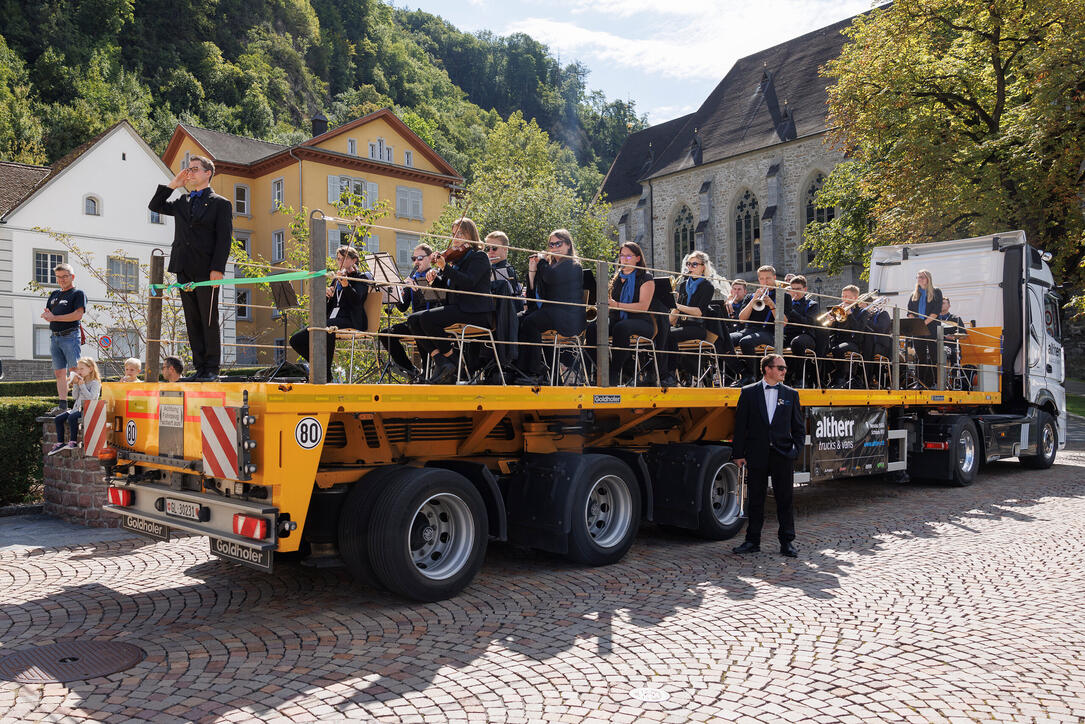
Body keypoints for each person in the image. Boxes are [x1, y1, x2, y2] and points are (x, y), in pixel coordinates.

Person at [149, 155, 233, 381]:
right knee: (192, 320)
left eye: (195, 169)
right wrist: (173, 185)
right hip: (184, 267)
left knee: (208, 319)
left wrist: (218, 268)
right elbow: (155, 205)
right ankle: (199, 367)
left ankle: (212, 368)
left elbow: (224, 239)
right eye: (189, 169)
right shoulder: (182, 201)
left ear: (208, 173)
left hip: (207, 270)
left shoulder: (220, 203)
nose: (190, 173)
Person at [731, 353, 803, 558]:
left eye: (785, 368)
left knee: (785, 499)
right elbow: (740, 426)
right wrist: (738, 453)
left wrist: (795, 451)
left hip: (782, 454)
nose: (784, 372)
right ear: (767, 369)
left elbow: (798, 427)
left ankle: (787, 542)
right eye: (780, 368)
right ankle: (752, 541)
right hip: (757, 453)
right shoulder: (748, 392)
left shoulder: (791, 394)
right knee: (755, 499)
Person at [407, 218, 494, 384]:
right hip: (459, 308)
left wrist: (445, 268)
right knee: (413, 320)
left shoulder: (479, 257)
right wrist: (435, 280)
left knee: (426, 319)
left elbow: (468, 282)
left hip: (475, 311)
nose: (456, 238)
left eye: (460, 233)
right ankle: (443, 362)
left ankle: (452, 362)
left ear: (471, 234)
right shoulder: (455, 260)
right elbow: (448, 292)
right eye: (454, 234)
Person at [290, 246, 369, 381]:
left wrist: (346, 285)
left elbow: (357, 301)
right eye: (338, 259)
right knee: (296, 340)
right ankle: (324, 369)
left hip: (351, 319)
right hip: (332, 319)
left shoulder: (362, 277)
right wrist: (326, 296)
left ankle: (324, 374)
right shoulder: (336, 279)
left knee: (328, 327)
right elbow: (329, 307)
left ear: (354, 260)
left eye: (344, 259)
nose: (340, 263)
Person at [517, 229, 585, 383]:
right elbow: (535, 293)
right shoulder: (550, 266)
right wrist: (532, 271)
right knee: (519, 319)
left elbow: (551, 279)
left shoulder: (572, 265)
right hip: (552, 312)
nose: (554, 247)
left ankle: (534, 371)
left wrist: (541, 262)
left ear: (568, 245)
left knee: (532, 322)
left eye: (558, 243)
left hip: (568, 316)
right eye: (551, 244)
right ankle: (525, 369)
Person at [585, 242, 656, 386]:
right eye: (622, 255)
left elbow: (643, 307)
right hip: (617, 319)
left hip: (642, 322)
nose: (624, 259)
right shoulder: (616, 277)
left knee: (621, 328)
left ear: (637, 258)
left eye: (628, 256)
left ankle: (614, 372)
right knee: (593, 328)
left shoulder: (646, 278)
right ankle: (600, 370)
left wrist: (616, 305)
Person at [659, 250, 718, 387]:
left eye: (694, 264)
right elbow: (677, 309)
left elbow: (698, 312)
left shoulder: (707, 286)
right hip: (683, 325)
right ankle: (660, 373)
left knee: (670, 336)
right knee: (662, 332)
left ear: (703, 266)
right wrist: (668, 320)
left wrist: (676, 305)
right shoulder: (683, 285)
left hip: (698, 327)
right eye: (688, 264)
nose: (690, 268)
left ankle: (670, 374)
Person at [380, 243, 434, 379]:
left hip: (431, 321)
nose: (416, 262)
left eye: (420, 258)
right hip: (414, 322)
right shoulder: (413, 278)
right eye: (413, 258)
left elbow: (436, 301)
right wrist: (399, 295)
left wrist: (418, 289)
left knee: (420, 330)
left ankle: (428, 373)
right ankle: (410, 370)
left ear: (430, 258)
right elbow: (403, 308)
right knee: (386, 334)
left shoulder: (435, 275)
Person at [732, 265, 791, 384]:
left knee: (746, 342)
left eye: (768, 278)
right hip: (749, 330)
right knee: (725, 339)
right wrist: (753, 300)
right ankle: (744, 372)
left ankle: (752, 377)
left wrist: (772, 305)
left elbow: (783, 322)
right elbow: (742, 319)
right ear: (759, 280)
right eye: (762, 279)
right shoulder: (750, 296)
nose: (765, 282)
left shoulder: (784, 296)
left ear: (774, 277)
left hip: (770, 332)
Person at [41, 263, 86, 414]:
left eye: (65, 277)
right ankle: (62, 405)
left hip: (70, 336)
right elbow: (49, 313)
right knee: (59, 373)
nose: (61, 280)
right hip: (55, 338)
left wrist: (54, 317)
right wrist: (47, 316)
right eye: (58, 277)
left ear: (72, 277)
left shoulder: (78, 293)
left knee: (75, 371)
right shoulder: (54, 294)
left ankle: (79, 405)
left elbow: (77, 315)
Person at [47, 357, 101, 455]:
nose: (79, 371)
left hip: (87, 409)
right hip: (76, 409)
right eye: (78, 369)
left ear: (91, 369)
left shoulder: (95, 383)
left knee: (72, 417)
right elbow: (75, 397)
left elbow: (91, 398)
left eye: (82, 369)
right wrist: (76, 385)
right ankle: (60, 442)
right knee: (58, 419)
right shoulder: (80, 381)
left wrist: (82, 386)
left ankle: (73, 442)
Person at [782, 275, 823, 387]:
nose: (795, 292)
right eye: (793, 289)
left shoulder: (812, 305)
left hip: (805, 335)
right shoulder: (786, 303)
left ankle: (800, 378)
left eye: (798, 289)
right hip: (788, 334)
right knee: (771, 340)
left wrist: (791, 310)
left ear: (805, 289)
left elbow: (808, 323)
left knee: (797, 343)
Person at [825, 285, 868, 388]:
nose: (843, 298)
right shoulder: (839, 310)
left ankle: (840, 378)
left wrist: (850, 315)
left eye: (846, 296)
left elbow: (859, 330)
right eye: (842, 295)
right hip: (838, 340)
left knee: (837, 350)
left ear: (855, 298)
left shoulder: (862, 312)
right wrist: (830, 323)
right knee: (821, 349)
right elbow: (832, 332)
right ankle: (830, 376)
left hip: (853, 342)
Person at [906, 269, 943, 387]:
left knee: (934, 356)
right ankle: (920, 382)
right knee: (920, 357)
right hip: (918, 329)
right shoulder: (914, 294)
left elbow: (936, 311)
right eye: (918, 277)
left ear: (928, 279)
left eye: (922, 276)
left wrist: (924, 323)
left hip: (931, 328)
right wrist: (916, 322)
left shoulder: (936, 292)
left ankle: (936, 383)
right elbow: (909, 311)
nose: (920, 279)